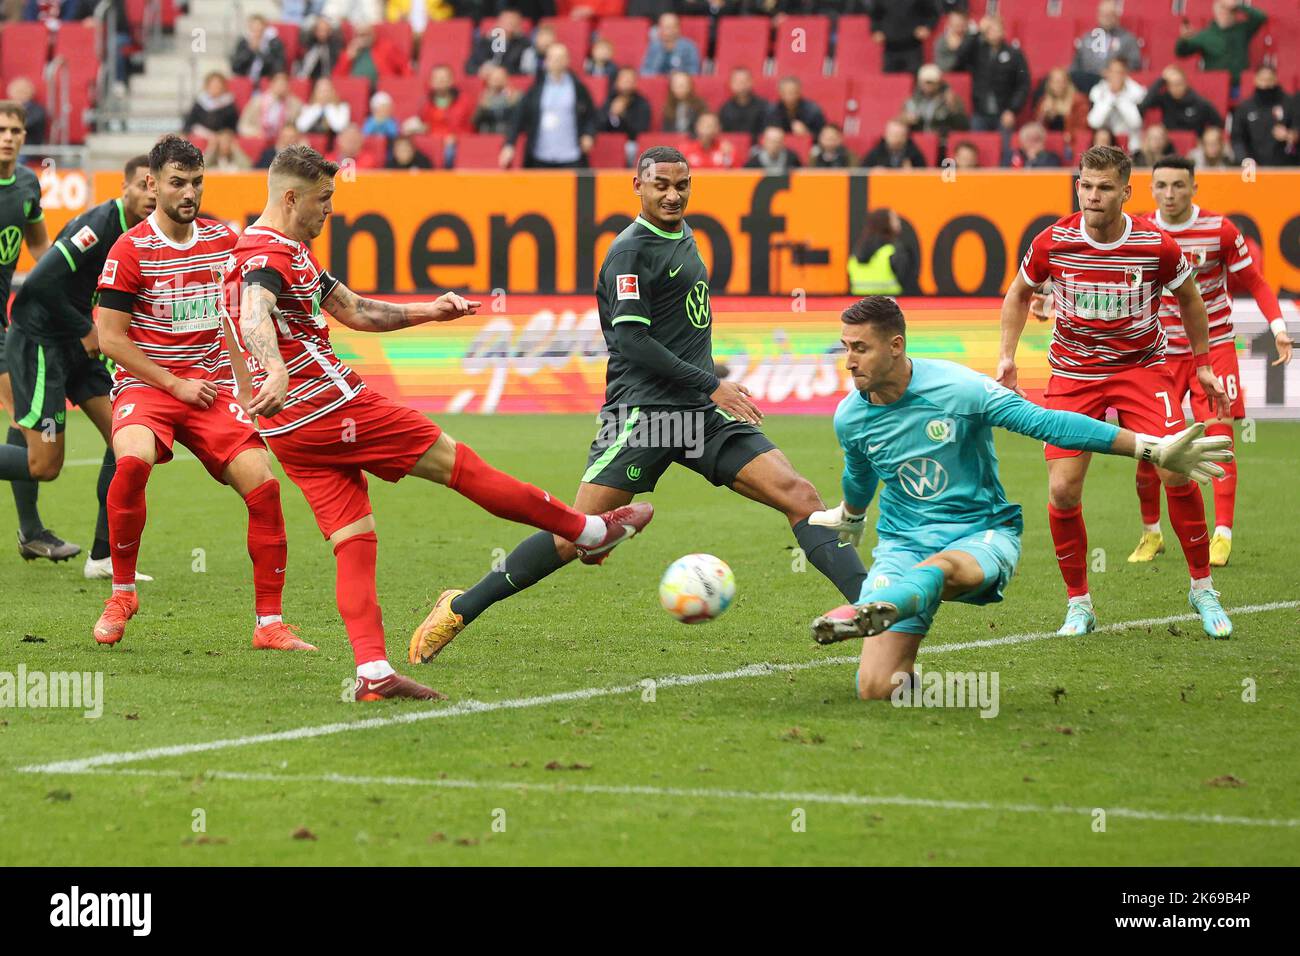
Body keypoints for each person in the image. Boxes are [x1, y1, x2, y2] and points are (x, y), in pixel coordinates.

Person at [411, 146, 871, 666]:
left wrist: (704, 388)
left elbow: (683, 327)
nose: (672, 195)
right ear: (638, 185)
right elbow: (631, 341)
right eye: (661, 186)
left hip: (697, 413)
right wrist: (710, 383)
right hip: (645, 415)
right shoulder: (630, 252)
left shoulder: (684, 235)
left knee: (799, 494)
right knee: (575, 532)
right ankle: (462, 606)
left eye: (682, 185)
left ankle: (871, 605)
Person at [224, 144, 651, 700]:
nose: (331, 210)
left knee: (355, 540)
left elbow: (356, 311)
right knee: (459, 465)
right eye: (324, 199)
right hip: (329, 404)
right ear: (290, 197)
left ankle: (373, 673)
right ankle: (587, 532)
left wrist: (433, 310)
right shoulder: (267, 255)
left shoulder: (271, 249)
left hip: (291, 432)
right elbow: (256, 311)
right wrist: (276, 369)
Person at [805, 296, 1232, 698]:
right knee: (877, 687)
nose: (849, 362)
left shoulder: (961, 389)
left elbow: (1049, 424)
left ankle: (872, 608)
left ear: (895, 345)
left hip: (978, 537)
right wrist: (852, 514)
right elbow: (858, 474)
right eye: (845, 347)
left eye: (860, 348)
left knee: (942, 569)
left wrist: (1149, 448)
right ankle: (907, 649)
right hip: (903, 543)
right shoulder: (851, 417)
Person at [997, 145, 1233, 639]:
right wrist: (1007, 358)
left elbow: (1190, 298)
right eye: (1086, 185)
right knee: (1062, 490)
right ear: (1077, 186)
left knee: (1175, 466)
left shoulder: (1155, 245)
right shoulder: (1053, 240)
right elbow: (1018, 293)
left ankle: (1202, 588)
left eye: (1105, 187)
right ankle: (1079, 604)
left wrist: (1205, 363)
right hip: (1074, 373)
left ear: (1126, 192)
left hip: (1142, 369)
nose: (1093, 196)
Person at [90, 135, 305, 651]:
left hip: (208, 387)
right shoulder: (130, 249)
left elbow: (233, 321)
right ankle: (122, 594)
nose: (189, 192)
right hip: (149, 384)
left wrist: (247, 390)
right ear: (152, 184)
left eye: (197, 182)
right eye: (177, 182)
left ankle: (268, 624)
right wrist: (173, 384)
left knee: (264, 486)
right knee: (133, 463)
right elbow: (110, 338)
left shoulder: (223, 241)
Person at [1128, 157, 1291, 568]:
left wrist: (1278, 327)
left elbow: (1254, 281)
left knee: (1220, 439)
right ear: (1151, 189)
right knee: (1148, 448)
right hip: (1157, 353)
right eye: (1162, 185)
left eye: (1178, 186)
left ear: (1194, 187)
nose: (1170, 194)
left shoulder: (1220, 230)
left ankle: (1222, 533)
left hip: (1213, 348)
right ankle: (1152, 533)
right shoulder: (1142, 230)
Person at [4, 156, 156, 579]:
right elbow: (37, 285)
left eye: (155, 188)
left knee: (127, 437)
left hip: (77, 347)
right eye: (142, 187)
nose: (150, 196)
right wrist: (84, 328)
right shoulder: (97, 226)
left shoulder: (145, 235)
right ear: (124, 188)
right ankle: (33, 527)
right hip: (42, 345)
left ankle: (103, 558)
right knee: (45, 466)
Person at [0, 99, 62, 560]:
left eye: (15, 130)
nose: (8, 136)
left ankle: (31, 531)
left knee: (23, 419)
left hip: (4, 324)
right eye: (1, 129)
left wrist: (68, 286)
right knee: (25, 423)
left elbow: (40, 246)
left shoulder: (26, 183)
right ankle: (32, 530)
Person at [500, 44, 597, 169]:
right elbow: (519, 117)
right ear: (546, 62)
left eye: (561, 58)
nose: (557, 62)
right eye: (553, 58)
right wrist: (509, 145)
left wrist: (589, 134)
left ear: (568, 60)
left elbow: (591, 116)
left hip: (571, 156)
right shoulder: (535, 89)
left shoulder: (579, 89)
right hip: (540, 156)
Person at [1175, 0, 1267, 86]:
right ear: (1215, 12)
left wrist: (1237, 5)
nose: (1225, 14)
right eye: (1221, 10)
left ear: (1235, 13)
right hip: (1216, 85)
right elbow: (1181, 52)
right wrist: (1184, 39)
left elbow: (1261, 17)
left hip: (1239, 84)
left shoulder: (1243, 30)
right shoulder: (1205, 35)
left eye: (1229, 11)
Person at [966, 14, 1029, 132]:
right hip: (980, 113)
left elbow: (1023, 84)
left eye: (997, 29)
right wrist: (977, 32)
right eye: (990, 29)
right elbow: (960, 57)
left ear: (1003, 31)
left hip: (1004, 113)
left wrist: (1012, 110)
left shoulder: (1015, 54)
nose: (993, 33)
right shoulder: (977, 51)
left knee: (1006, 149)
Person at [1229, 66, 1296, 167]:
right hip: (1254, 168)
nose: (1265, 84)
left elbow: (1296, 129)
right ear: (1255, 80)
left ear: (1275, 80)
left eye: (1269, 80)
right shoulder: (1245, 108)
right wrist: (1244, 159)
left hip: (1287, 167)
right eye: (1262, 80)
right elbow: (1237, 138)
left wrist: (1290, 135)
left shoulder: (1290, 103)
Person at [1069, 0, 1141, 93]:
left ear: (1117, 16)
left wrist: (1114, 72)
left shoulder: (1128, 39)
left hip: (1111, 83)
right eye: (1103, 14)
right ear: (1098, 15)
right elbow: (1076, 64)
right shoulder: (1087, 37)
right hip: (1086, 81)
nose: (1106, 18)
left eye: (1109, 14)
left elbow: (1134, 64)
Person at [1139, 66, 1221, 135]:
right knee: (1155, 132)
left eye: (1179, 84)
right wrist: (1161, 80)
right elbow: (1144, 105)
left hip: (1193, 147)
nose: (1176, 88)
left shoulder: (1199, 102)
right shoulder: (1165, 99)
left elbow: (1218, 123)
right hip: (1169, 147)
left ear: (1186, 83)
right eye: (1171, 85)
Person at [847, 209, 911, 296]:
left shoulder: (857, 249)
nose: (898, 222)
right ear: (886, 223)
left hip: (858, 303)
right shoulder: (894, 250)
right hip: (889, 302)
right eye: (895, 219)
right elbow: (906, 280)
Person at [867, 0, 939, 76]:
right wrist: (875, 30)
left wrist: (927, 27)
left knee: (914, 80)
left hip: (913, 46)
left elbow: (932, 13)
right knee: (888, 83)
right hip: (890, 48)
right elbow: (874, 16)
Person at [1087, 57, 1145, 145]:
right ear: (1107, 73)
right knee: (1101, 137)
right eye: (1112, 72)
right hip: (1107, 141)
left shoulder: (1137, 91)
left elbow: (1135, 123)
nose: (1115, 76)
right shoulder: (1097, 90)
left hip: (1130, 140)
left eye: (1119, 73)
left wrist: (1120, 98)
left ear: (1125, 74)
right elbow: (1094, 122)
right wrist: (1111, 98)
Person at [902, 64, 969, 137]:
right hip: (918, 139)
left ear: (939, 83)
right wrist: (905, 120)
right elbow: (899, 121)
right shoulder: (912, 101)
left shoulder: (950, 99)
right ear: (919, 83)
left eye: (931, 83)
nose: (928, 86)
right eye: (925, 82)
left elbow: (964, 126)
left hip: (942, 140)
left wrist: (953, 108)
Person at [1035, 67, 1090, 155]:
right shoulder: (1044, 101)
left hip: (1071, 144)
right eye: (1055, 82)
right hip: (1050, 145)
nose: (1058, 85)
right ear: (1049, 84)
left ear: (1067, 83)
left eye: (1061, 81)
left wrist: (1070, 133)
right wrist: (1044, 115)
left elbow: (1083, 126)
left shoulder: (1078, 100)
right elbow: (1038, 129)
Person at [238, 71, 303, 140]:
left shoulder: (295, 104)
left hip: (284, 142)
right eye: (279, 83)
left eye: (284, 83)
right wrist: (256, 133)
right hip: (260, 138)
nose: (282, 87)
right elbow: (243, 126)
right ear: (271, 83)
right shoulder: (257, 102)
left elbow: (299, 127)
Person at [599, 66, 652, 143]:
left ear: (636, 83)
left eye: (630, 80)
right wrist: (611, 114)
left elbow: (641, 132)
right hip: (609, 143)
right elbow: (599, 125)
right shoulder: (610, 100)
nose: (627, 82)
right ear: (616, 82)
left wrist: (622, 116)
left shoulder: (642, 104)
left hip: (632, 144)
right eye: (623, 79)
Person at [231, 15, 288, 84]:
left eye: (259, 29)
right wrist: (249, 51)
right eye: (253, 29)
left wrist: (260, 52)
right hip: (246, 80)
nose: (256, 32)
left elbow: (278, 67)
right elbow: (236, 67)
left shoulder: (274, 43)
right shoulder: (243, 43)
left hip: (267, 81)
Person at [640, 12, 701, 76]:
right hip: (656, 83)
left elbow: (694, 71)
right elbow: (644, 71)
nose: (665, 31)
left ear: (677, 29)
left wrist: (679, 75)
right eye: (662, 27)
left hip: (678, 84)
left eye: (669, 27)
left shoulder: (689, 47)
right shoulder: (653, 47)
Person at [718, 67, 768, 141]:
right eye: (737, 81)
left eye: (745, 81)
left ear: (752, 82)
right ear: (730, 84)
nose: (741, 84)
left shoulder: (764, 106)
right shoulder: (725, 109)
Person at [184, 73, 240, 138]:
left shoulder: (228, 103)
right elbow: (189, 124)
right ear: (207, 86)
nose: (215, 87)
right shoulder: (200, 102)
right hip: (201, 135)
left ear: (223, 87)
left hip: (221, 137)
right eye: (213, 85)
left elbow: (233, 127)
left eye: (218, 85)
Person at [471, 64, 521, 135]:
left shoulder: (516, 96)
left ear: (506, 79)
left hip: (509, 133)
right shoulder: (483, 98)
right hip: (488, 135)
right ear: (488, 81)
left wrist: (516, 102)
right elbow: (474, 122)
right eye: (494, 78)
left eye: (500, 78)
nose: (497, 81)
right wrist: (481, 107)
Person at [861, 118, 927, 168]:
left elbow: (926, 175)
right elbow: (861, 173)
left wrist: (913, 173)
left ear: (906, 137)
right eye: (892, 134)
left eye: (899, 135)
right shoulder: (876, 152)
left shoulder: (914, 154)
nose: (896, 139)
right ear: (885, 135)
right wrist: (872, 172)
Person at [298, 16, 344, 81]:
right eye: (319, 30)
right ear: (315, 31)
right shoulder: (310, 46)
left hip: (329, 80)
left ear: (329, 31)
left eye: (325, 30)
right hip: (311, 79)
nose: (322, 34)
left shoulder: (335, 47)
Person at [5, 77, 46, 145]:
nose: (19, 95)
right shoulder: (6, 109)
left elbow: (24, 124)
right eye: (16, 91)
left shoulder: (37, 110)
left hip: (28, 148)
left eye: (22, 91)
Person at [934, 10, 976, 74]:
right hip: (948, 74)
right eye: (956, 24)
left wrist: (961, 47)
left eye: (962, 24)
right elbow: (941, 66)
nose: (959, 28)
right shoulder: (942, 41)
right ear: (949, 24)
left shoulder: (973, 40)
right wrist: (955, 52)